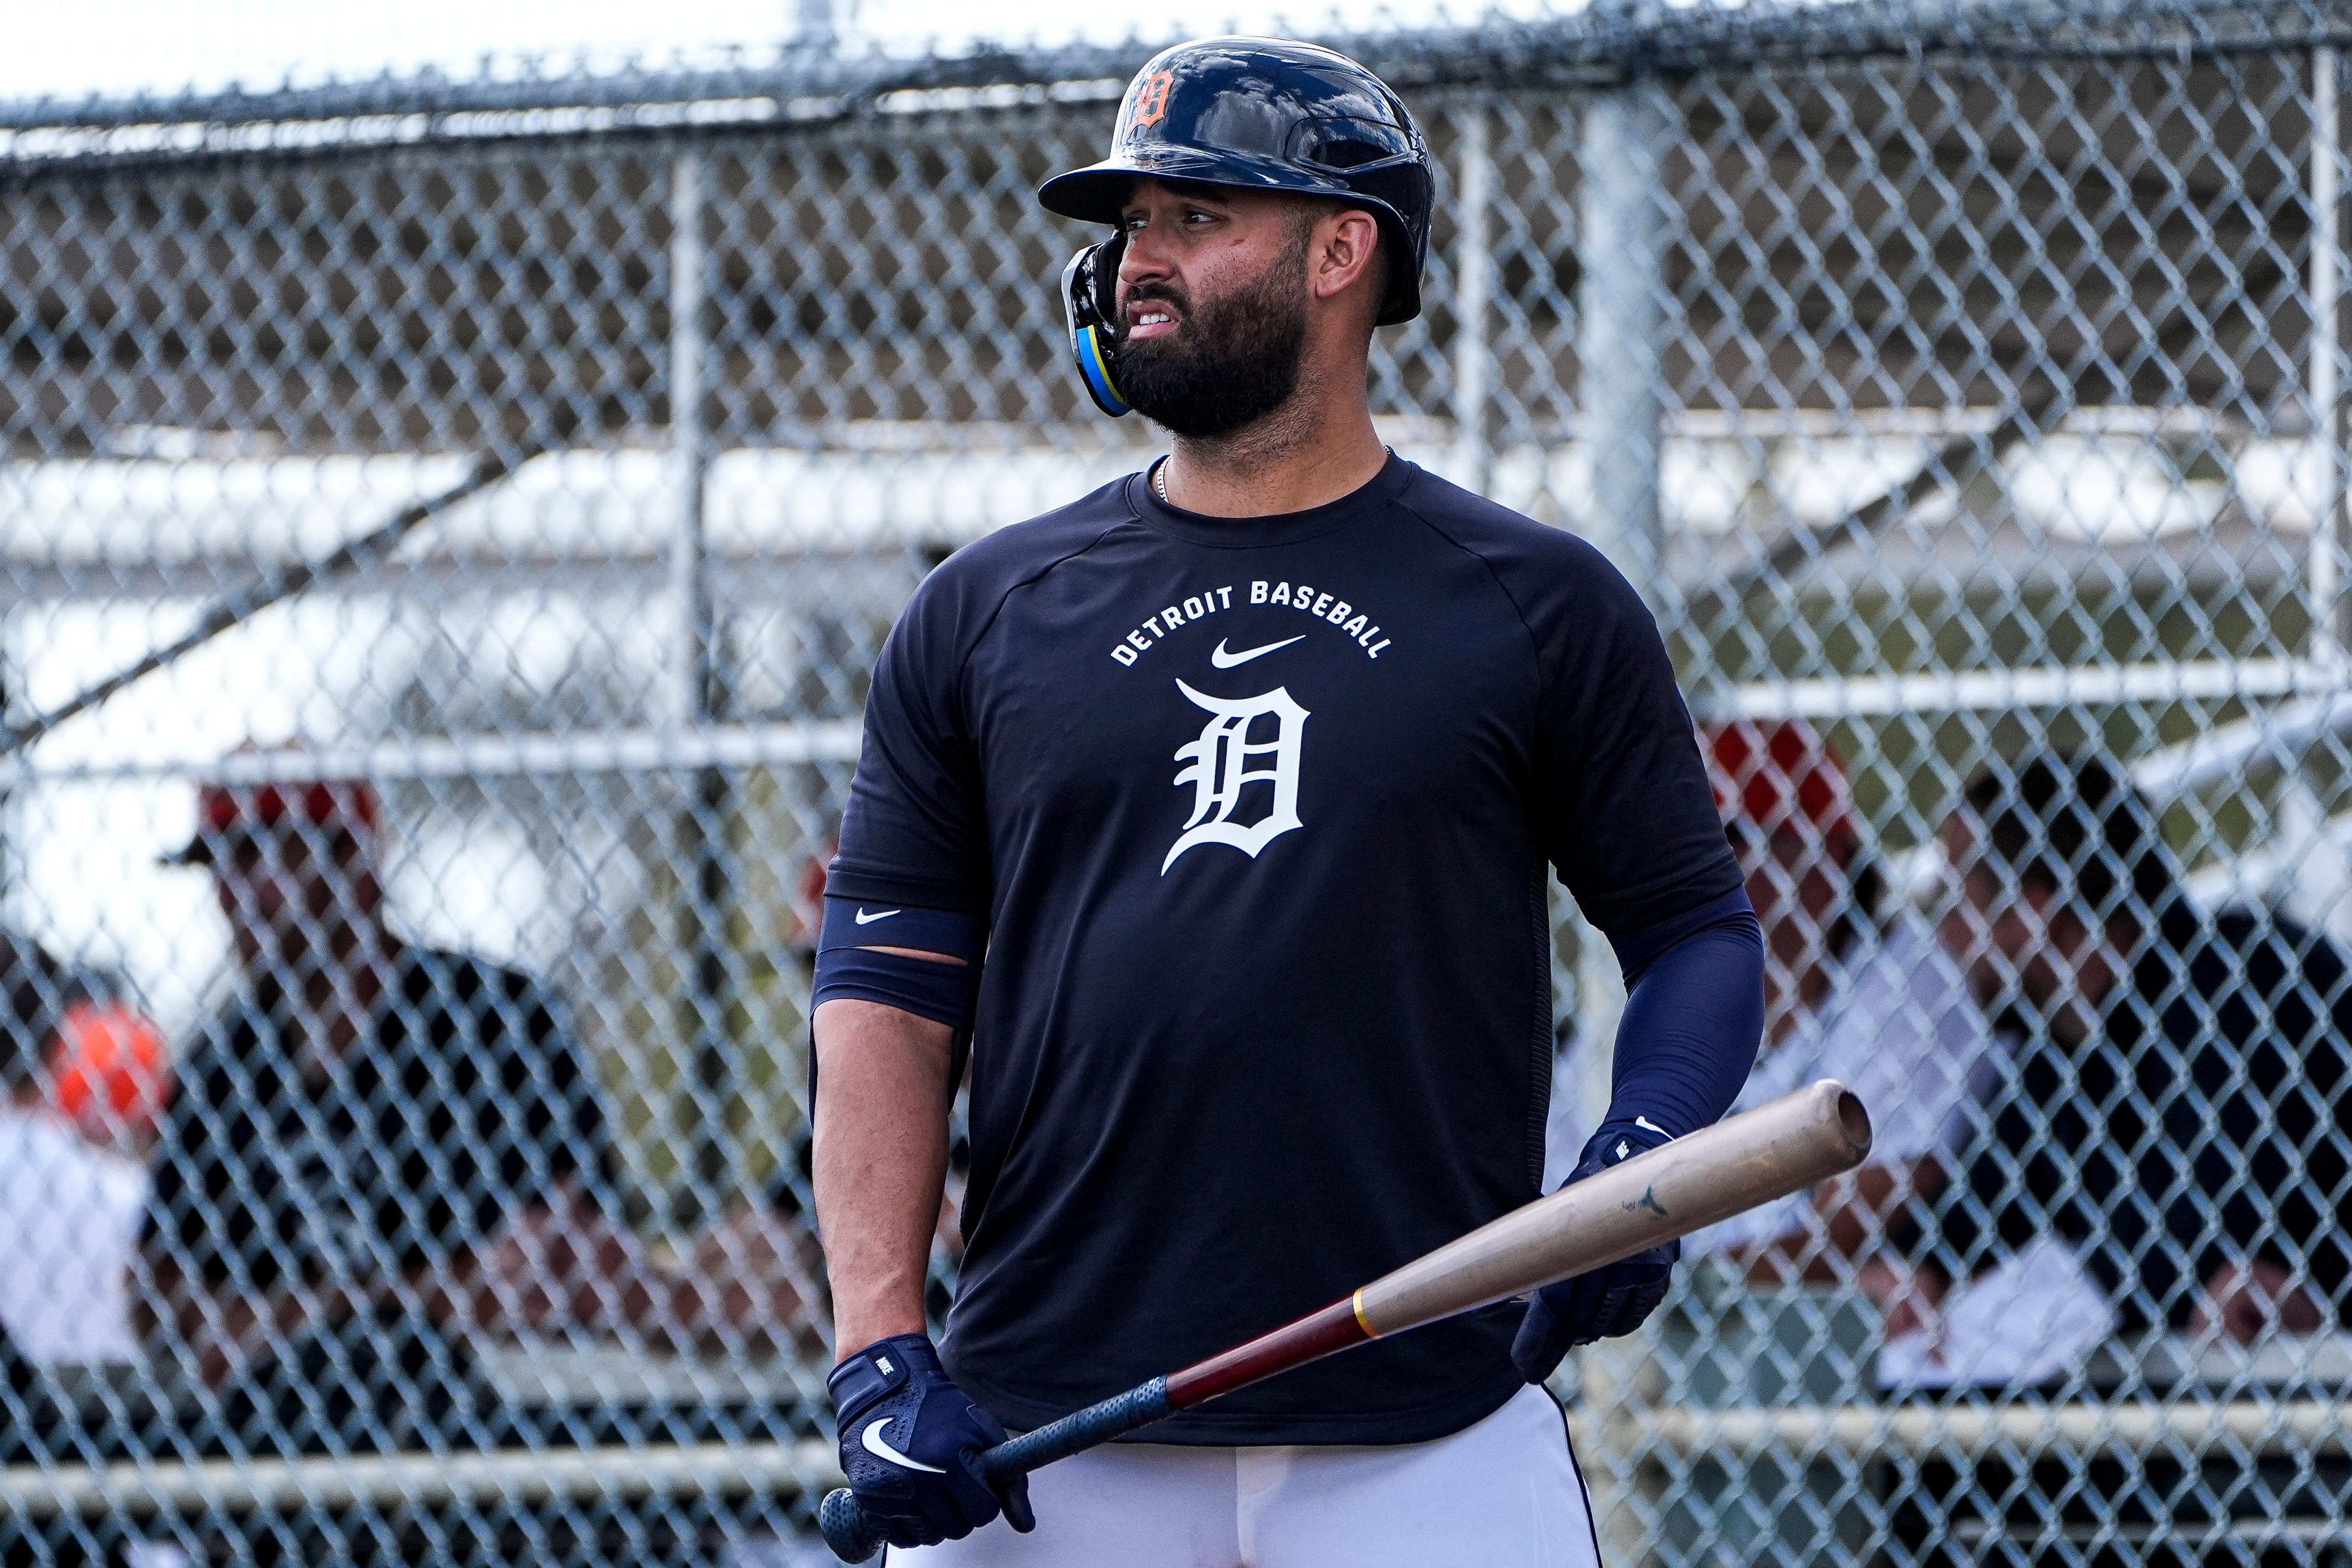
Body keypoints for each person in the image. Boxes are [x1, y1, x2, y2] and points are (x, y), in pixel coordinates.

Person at [811, 37, 1764, 1565]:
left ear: (1340, 250)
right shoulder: (984, 609)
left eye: (1198, 219)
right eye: (1131, 226)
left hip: (1429, 1421)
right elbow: (883, 996)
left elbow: (1693, 931)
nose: (1139, 262)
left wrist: (1632, 1168)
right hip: (1050, 1430)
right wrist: (876, 1343)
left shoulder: (1529, 601)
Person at [142, 771, 629, 1451]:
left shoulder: (493, 1018)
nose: (236, 895)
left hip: (493, 1432)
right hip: (289, 1436)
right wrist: (437, 1293)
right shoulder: (225, 1058)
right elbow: (155, 1282)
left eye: (264, 857)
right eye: (222, 864)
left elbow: (557, 1263)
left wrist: (286, 1318)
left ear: (354, 860)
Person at [1880, 751, 2352, 1376]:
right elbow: (1963, 1216)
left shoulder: (2245, 980)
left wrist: (2040, 1280)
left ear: (2035, 909)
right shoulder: (2060, 1045)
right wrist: (1923, 1272)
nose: (1947, 936)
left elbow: (2203, 1236)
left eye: (1962, 898)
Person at [1691, 720, 1993, 1284]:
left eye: (1724, 843)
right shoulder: (1676, 999)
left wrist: (1662, 1285)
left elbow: (1837, 1241)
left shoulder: (1911, 988)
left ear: (1821, 853)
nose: (1688, 870)